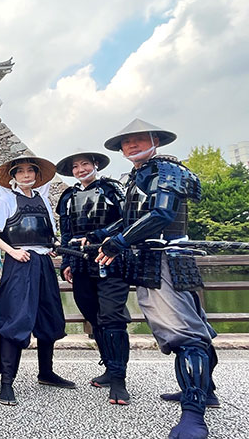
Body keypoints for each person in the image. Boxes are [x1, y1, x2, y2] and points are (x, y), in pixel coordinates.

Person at [98, 119, 216, 439]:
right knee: (195, 325)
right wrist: (103, 234)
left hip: (167, 257)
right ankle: (208, 391)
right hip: (156, 258)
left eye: (138, 139)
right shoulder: (139, 176)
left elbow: (162, 214)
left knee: (184, 335)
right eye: (126, 142)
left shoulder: (166, 171)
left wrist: (119, 242)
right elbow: (131, 218)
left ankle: (194, 416)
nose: (131, 145)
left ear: (156, 141)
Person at [0, 155, 75, 407]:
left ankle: (46, 373)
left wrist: (52, 246)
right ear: (13, 176)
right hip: (20, 263)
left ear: (36, 174)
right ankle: (7, 383)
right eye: (20, 171)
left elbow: (48, 233)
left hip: (44, 263)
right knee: (16, 319)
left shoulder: (43, 199)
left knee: (49, 317)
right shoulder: (6, 200)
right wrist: (11, 251)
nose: (25, 175)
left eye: (30, 171)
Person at [55, 151, 130, 404]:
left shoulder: (111, 189)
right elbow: (65, 232)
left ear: (95, 165)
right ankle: (110, 366)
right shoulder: (68, 196)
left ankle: (119, 379)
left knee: (112, 317)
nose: (80, 169)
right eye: (75, 166)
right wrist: (66, 261)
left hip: (109, 258)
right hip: (79, 261)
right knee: (93, 315)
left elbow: (126, 220)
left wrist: (100, 234)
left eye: (85, 164)